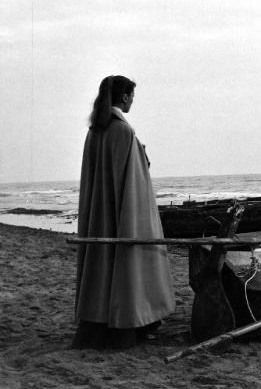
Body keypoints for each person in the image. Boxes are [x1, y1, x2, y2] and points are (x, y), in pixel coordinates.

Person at [72, 75, 175, 349]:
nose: (132, 102)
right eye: (132, 97)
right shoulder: (123, 131)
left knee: (102, 261)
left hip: (100, 215)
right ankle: (128, 324)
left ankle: (98, 323)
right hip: (122, 213)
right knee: (127, 261)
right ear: (126, 97)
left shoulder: (96, 130)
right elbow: (134, 185)